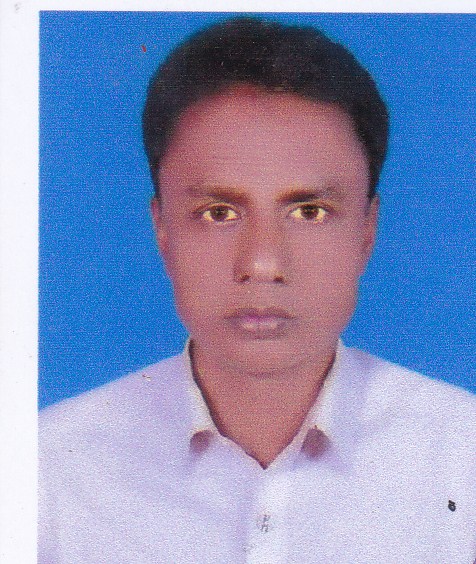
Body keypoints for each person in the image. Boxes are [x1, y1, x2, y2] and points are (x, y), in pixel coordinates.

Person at [39, 17, 476, 563]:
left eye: (310, 212)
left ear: (367, 230)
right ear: (162, 230)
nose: (262, 264)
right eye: (219, 213)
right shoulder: (45, 470)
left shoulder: (462, 456)